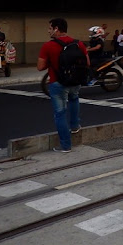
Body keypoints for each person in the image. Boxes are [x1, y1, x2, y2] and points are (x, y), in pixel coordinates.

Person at [37, 17, 89, 153]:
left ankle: (66, 145)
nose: (48, 31)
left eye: (50, 28)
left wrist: (52, 62)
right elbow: (87, 63)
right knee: (74, 99)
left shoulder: (48, 46)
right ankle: (75, 126)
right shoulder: (79, 44)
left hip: (57, 83)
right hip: (76, 81)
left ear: (56, 29)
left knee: (60, 114)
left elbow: (40, 66)